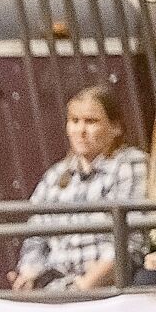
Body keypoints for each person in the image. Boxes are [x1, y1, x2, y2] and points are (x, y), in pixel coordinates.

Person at [12, 84, 148, 292]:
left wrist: (85, 286)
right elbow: (35, 236)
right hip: (55, 287)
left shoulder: (130, 165)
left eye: (91, 122)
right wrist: (29, 272)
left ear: (116, 128)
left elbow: (130, 242)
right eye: (74, 121)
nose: (81, 131)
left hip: (108, 289)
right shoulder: (56, 175)